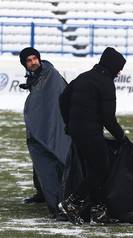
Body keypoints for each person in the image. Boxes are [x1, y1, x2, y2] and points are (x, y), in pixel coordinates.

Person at [58, 47, 127, 225]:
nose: (119, 72)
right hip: (90, 132)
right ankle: (72, 203)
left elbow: (63, 99)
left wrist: (69, 123)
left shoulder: (83, 77)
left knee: (93, 170)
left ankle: (98, 212)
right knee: (101, 169)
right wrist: (122, 137)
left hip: (77, 131)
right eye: (119, 68)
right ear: (112, 66)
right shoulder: (105, 83)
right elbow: (108, 118)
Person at [19, 47, 71, 220]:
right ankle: (42, 192)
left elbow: (52, 99)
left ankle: (60, 201)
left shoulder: (50, 75)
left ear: (39, 59)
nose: (33, 62)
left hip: (54, 125)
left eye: (35, 59)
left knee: (53, 157)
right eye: (29, 60)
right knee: (40, 161)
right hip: (44, 126)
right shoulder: (37, 77)